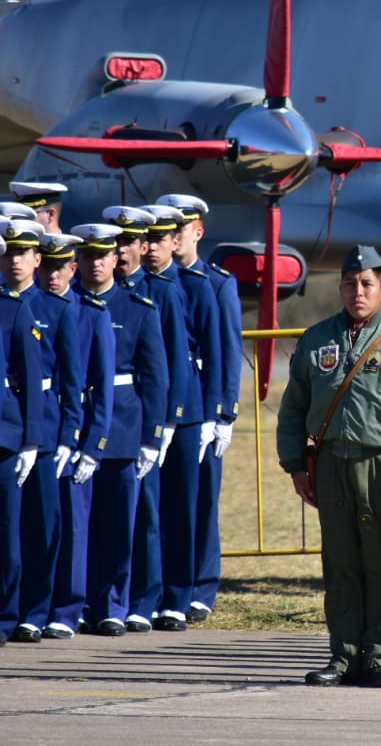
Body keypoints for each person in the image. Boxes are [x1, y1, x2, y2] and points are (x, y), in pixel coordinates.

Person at [278, 244, 381, 688]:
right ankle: (344, 655)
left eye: (367, 284)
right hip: (330, 462)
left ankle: (380, 657)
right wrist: (295, 464)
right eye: (350, 283)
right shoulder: (317, 339)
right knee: (340, 562)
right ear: (340, 288)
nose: (358, 291)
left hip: (380, 464)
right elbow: (293, 407)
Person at [70, 224, 167, 637]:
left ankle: (113, 603)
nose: (96, 264)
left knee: (119, 524)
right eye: (88, 257)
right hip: (76, 422)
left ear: (116, 259)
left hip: (123, 425)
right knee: (78, 525)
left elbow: (155, 377)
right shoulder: (67, 304)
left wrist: (152, 437)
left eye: (103, 256)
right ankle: (76, 603)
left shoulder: (137, 307)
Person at [157, 193, 243, 624]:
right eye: (169, 229)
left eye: (182, 229)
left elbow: (227, 352)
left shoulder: (217, 283)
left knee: (203, 498)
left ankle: (201, 586)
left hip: (204, 406)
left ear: (197, 232)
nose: (175, 237)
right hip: (173, 404)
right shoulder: (159, 281)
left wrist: (223, 412)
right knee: (169, 499)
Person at [139, 203, 223, 632]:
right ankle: (149, 594)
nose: (153, 247)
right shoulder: (138, 286)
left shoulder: (197, 285)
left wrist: (218, 413)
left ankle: (182, 593)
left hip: (188, 409)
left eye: (161, 239)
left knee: (186, 507)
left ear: (177, 240)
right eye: (148, 239)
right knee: (150, 510)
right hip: (145, 408)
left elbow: (216, 351)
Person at [104, 204, 188, 633]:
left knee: (148, 512)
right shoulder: (100, 292)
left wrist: (165, 423)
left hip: (141, 416)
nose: (121, 251)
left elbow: (170, 365)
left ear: (142, 246)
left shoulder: (161, 293)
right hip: (106, 417)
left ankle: (145, 597)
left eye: (129, 243)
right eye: (116, 243)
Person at [6, 218, 83, 644]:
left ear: (38, 260)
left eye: (23, 253)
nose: (15, 261)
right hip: (7, 426)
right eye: (9, 253)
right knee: (9, 527)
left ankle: (37, 610)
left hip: (47, 431)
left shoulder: (57, 308)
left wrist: (70, 435)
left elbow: (72, 380)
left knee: (44, 524)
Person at [40, 232, 115, 640]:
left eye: (60, 267)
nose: (53, 275)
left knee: (73, 528)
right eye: (47, 266)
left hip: (75, 432)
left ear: (73, 268)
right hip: (36, 431)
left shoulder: (91, 314)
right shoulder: (28, 308)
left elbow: (101, 388)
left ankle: (67, 610)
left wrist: (92, 445)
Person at [0, 226, 43, 647]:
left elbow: (30, 379)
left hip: (4, 437)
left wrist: (31, 439)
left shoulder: (12, 310)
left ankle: (5, 616)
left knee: (6, 533)